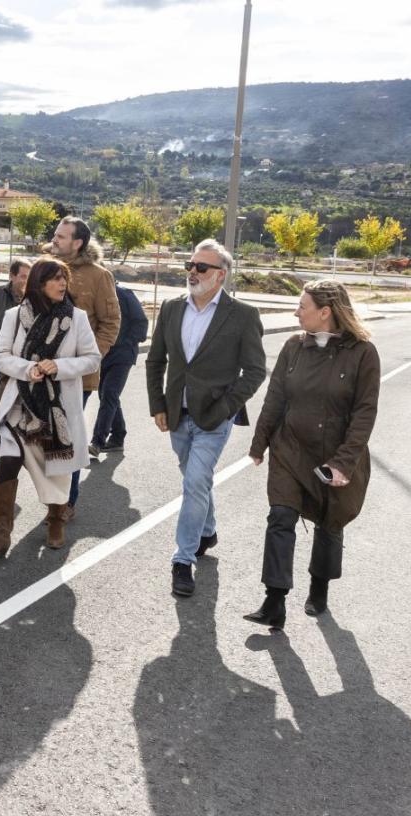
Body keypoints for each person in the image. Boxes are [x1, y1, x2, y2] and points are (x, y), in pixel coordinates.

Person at [244, 280, 380, 628]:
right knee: (280, 517)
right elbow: (275, 396)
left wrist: (344, 462)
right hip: (289, 448)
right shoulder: (293, 347)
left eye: (302, 306)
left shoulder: (363, 353)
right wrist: (259, 443)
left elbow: (364, 413)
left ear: (325, 312)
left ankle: (319, 588)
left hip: (335, 454)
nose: (295, 312)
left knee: (329, 523)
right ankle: (274, 599)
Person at [145, 238, 266, 598]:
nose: (192, 272)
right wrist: (158, 405)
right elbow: (156, 361)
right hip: (176, 414)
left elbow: (256, 371)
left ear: (221, 275)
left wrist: (226, 408)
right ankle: (208, 530)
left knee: (194, 481)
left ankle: (183, 561)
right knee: (194, 479)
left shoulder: (243, 315)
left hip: (215, 417)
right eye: (190, 266)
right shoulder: (170, 308)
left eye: (201, 267)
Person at [0, 257, 101, 555]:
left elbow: (92, 359)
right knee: (7, 463)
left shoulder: (76, 318)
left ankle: (56, 519)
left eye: (65, 278)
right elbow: (0, 356)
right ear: (38, 283)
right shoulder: (13, 316)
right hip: (18, 408)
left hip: (55, 411)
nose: (63, 284)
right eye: (56, 279)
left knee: (57, 468)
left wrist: (57, 366)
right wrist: (26, 369)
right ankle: (1, 535)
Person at [48, 217, 120, 519]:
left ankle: (66, 502)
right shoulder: (44, 269)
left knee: (69, 435)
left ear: (78, 242)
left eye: (62, 236)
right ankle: (53, 495)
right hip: (41, 372)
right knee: (47, 438)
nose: (55, 240)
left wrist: (90, 357)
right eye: (55, 235)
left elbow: (111, 323)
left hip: (78, 375)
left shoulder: (99, 276)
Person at [90, 279, 149, 456]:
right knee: (106, 395)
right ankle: (118, 436)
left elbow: (141, 323)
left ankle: (97, 442)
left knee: (109, 394)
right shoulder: (96, 296)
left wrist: (125, 342)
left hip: (122, 354)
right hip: (104, 354)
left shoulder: (124, 294)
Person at [0, 258, 31, 460]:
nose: (26, 281)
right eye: (22, 276)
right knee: (9, 400)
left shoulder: (34, 296)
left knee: (13, 400)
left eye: (30, 276)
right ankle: (9, 442)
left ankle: (5, 443)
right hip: (1, 361)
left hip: (24, 363)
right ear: (11, 276)